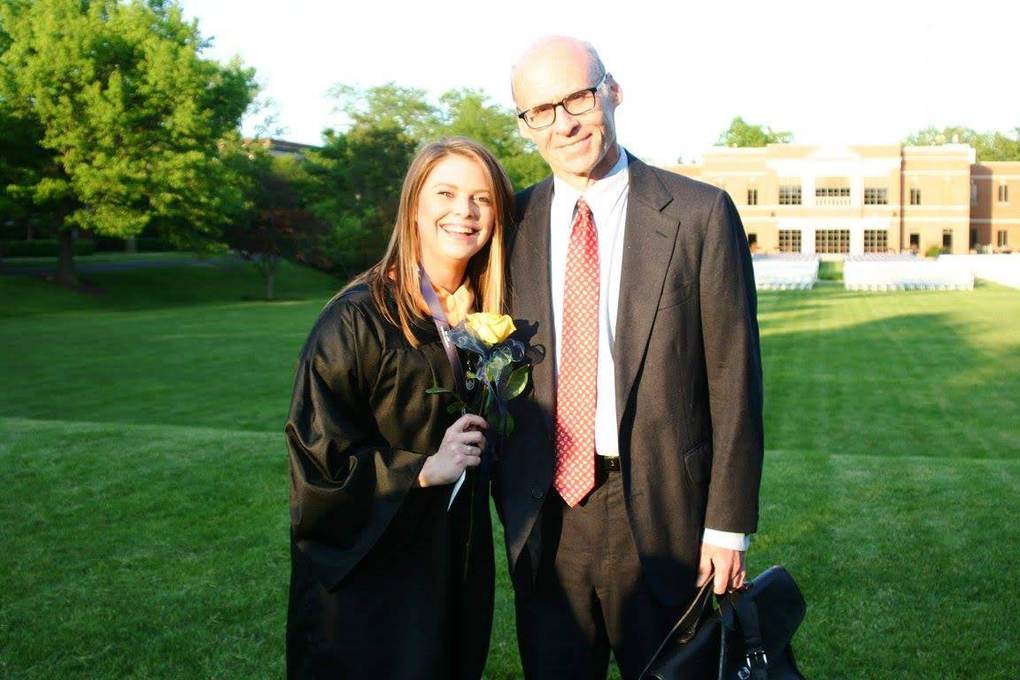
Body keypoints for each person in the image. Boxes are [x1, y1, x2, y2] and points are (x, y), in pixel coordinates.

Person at [494, 37, 764, 679]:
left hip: (669, 515)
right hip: (548, 518)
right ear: (526, 125)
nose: (564, 122)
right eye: (541, 111)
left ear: (612, 91)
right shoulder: (514, 222)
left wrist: (728, 524)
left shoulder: (699, 214)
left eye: (578, 97)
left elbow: (735, 380)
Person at [284, 137, 513, 679]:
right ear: (414, 206)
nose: (465, 211)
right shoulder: (357, 320)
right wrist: (424, 469)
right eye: (447, 193)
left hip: (452, 561)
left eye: (482, 198)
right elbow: (318, 464)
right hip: (369, 574)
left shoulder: (484, 318)